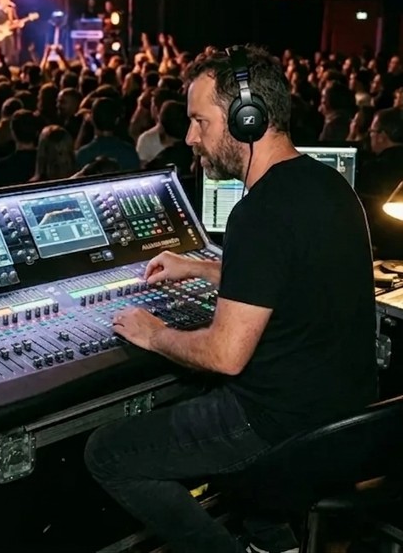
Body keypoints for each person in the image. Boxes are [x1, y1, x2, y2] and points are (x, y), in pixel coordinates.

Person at [84, 45, 377, 553]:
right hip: (342, 413)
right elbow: (285, 279)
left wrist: (153, 332)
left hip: (278, 426)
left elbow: (225, 354)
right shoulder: (328, 185)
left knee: (107, 453)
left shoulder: (258, 213)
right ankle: (275, 540)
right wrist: (198, 268)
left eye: (200, 121)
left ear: (247, 119)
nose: (191, 136)